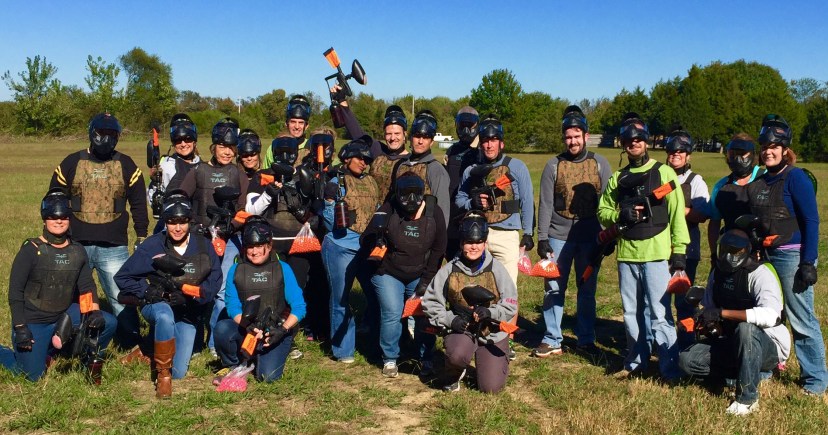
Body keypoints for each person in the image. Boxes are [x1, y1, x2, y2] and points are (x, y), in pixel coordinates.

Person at [596, 113, 689, 381]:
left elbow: (676, 215)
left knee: (660, 313)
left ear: (646, 141)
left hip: (656, 256)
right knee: (630, 314)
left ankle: (670, 369)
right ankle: (635, 362)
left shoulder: (664, 173)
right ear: (623, 145)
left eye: (638, 139)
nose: (634, 143)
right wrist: (619, 215)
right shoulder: (618, 178)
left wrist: (679, 252)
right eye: (628, 141)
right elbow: (602, 210)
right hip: (627, 255)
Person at [49, 112, 148, 352]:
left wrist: (141, 234)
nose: (106, 139)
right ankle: (61, 341)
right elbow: (54, 198)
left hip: (113, 245)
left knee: (120, 295)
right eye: (102, 133)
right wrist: (55, 237)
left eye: (112, 134)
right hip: (76, 244)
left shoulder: (126, 164)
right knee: (67, 295)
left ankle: (131, 344)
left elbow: (138, 202)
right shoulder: (72, 162)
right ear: (92, 134)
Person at [746, 114, 826, 396]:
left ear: (784, 149)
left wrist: (808, 262)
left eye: (774, 147)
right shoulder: (760, 181)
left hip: (792, 257)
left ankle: (815, 379)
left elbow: (811, 221)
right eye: (765, 147)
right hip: (765, 257)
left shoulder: (796, 178)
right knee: (769, 314)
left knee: (801, 318)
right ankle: (767, 366)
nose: (768, 151)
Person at [114, 192, 222, 397]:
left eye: (182, 222)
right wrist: (148, 291)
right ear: (165, 222)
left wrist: (192, 297)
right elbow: (123, 277)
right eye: (172, 222)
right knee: (164, 316)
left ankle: (147, 348)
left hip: (187, 312)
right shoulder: (153, 245)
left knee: (179, 372)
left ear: (190, 221)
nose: (178, 228)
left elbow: (214, 281)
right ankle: (163, 376)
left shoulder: (204, 245)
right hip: (157, 305)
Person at [5, 188, 117, 382]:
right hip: (34, 320)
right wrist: (20, 327)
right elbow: (15, 293)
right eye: (53, 217)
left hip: (65, 315)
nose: (59, 221)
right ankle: (5, 352)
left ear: (69, 219)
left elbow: (87, 286)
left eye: (64, 217)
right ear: (44, 219)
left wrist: (94, 311)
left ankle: (87, 360)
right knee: (31, 376)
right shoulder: (30, 250)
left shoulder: (77, 250)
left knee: (108, 322)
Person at [678, 230, 790, 415]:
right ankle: (745, 376)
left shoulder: (760, 274)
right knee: (687, 360)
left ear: (746, 251)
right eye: (724, 250)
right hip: (732, 341)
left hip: (770, 345)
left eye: (735, 251)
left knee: (746, 329)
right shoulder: (717, 273)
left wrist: (723, 313)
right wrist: (703, 322)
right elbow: (710, 308)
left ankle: (747, 399)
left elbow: (771, 316)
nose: (728, 256)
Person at [534, 106, 611, 357]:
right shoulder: (553, 165)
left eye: (577, 136)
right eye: (568, 137)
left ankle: (586, 339)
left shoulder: (600, 164)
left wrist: (608, 235)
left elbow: (609, 202)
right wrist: (542, 238)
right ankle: (552, 338)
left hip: (590, 237)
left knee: (586, 290)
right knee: (553, 288)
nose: (573, 141)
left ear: (586, 136)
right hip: (558, 237)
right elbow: (545, 203)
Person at [421, 212, 518, 393]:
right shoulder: (448, 270)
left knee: (491, 388)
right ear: (461, 244)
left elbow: (511, 303)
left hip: (492, 333)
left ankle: (490, 363)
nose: (474, 247)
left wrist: (491, 313)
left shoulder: (497, 269)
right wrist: (450, 320)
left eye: (479, 242)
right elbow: (430, 302)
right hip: (462, 329)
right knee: (457, 355)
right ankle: (455, 372)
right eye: (469, 242)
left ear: (485, 243)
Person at [361, 173, 446, 378]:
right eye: (405, 195)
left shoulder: (434, 212)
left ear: (423, 194)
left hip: (420, 273)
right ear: (397, 195)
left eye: (415, 194)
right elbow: (365, 239)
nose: (411, 200)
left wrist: (427, 281)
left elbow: (439, 249)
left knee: (422, 313)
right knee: (392, 312)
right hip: (389, 272)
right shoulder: (388, 209)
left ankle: (426, 357)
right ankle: (390, 358)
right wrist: (377, 241)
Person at [179, 117, 250, 355]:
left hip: (228, 240)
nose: (227, 152)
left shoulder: (238, 174)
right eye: (223, 146)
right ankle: (193, 339)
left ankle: (214, 343)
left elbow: (243, 209)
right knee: (196, 286)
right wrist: (192, 225)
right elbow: (180, 199)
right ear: (213, 146)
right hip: (201, 238)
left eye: (232, 148)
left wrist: (233, 226)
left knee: (222, 290)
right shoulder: (198, 171)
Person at [213, 217, 306, 382]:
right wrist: (247, 325)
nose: (254, 252)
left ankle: (263, 356)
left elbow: (299, 307)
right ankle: (234, 363)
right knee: (222, 328)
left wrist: (283, 330)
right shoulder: (235, 269)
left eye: (259, 246)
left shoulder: (283, 268)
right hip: (248, 327)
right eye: (250, 247)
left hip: (275, 330)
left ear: (269, 246)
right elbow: (232, 305)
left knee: (267, 377)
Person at [321, 137, 382, 363]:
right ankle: (343, 349)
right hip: (340, 246)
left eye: (367, 160)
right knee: (340, 298)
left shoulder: (371, 182)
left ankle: (374, 341)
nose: (364, 163)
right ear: (347, 158)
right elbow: (329, 223)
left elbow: (376, 211)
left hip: (366, 247)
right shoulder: (336, 182)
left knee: (376, 295)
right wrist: (329, 201)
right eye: (360, 158)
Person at [455, 114, 535, 286]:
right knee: (478, 288)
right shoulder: (471, 170)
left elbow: (527, 202)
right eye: (485, 140)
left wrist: (528, 233)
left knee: (508, 289)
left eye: (493, 140)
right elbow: (459, 199)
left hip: (507, 236)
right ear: (480, 144)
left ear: (501, 143)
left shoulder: (517, 167)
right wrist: (472, 203)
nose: (489, 145)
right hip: (478, 235)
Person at [663, 129, 710, 349]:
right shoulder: (660, 175)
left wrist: (676, 209)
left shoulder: (695, 180)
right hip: (661, 246)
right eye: (672, 151)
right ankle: (662, 342)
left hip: (687, 248)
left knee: (684, 301)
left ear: (688, 155)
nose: (676, 155)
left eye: (681, 151)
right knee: (659, 298)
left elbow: (703, 214)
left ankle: (686, 344)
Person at [331, 85, 410, 202]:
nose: (393, 138)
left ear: (405, 134)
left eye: (397, 133)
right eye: (389, 134)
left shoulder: (411, 161)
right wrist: (342, 100)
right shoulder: (379, 151)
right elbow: (356, 132)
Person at [707, 134, 763, 265]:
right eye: (733, 154)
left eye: (742, 153)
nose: (737, 159)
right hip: (731, 252)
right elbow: (714, 223)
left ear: (752, 154)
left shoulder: (766, 179)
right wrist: (714, 255)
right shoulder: (721, 186)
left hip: (763, 251)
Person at [389, 110, 451, 224]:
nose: (420, 141)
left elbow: (443, 212)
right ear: (411, 137)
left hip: (424, 232)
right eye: (417, 136)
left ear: (431, 142)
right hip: (399, 230)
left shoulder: (436, 170)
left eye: (426, 137)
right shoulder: (400, 165)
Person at [148, 113, 202, 234]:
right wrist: (155, 182)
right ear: (173, 143)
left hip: (195, 226)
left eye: (187, 139)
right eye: (178, 140)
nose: (183, 144)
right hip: (171, 225)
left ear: (194, 141)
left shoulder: (202, 166)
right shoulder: (167, 165)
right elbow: (153, 200)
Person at [444, 106, 480, 260]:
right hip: (452, 213)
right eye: (462, 126)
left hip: (473, 212)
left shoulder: (482, 151)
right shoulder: (452, 151)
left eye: (469, 126)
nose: (465, 131)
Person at [261, 95, 313, 168]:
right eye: (293, 122)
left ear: (306, 126)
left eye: (301, 123)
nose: (297, 127)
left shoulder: (312, 146)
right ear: (286, 124)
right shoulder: (274, 146)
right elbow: (266, 172)